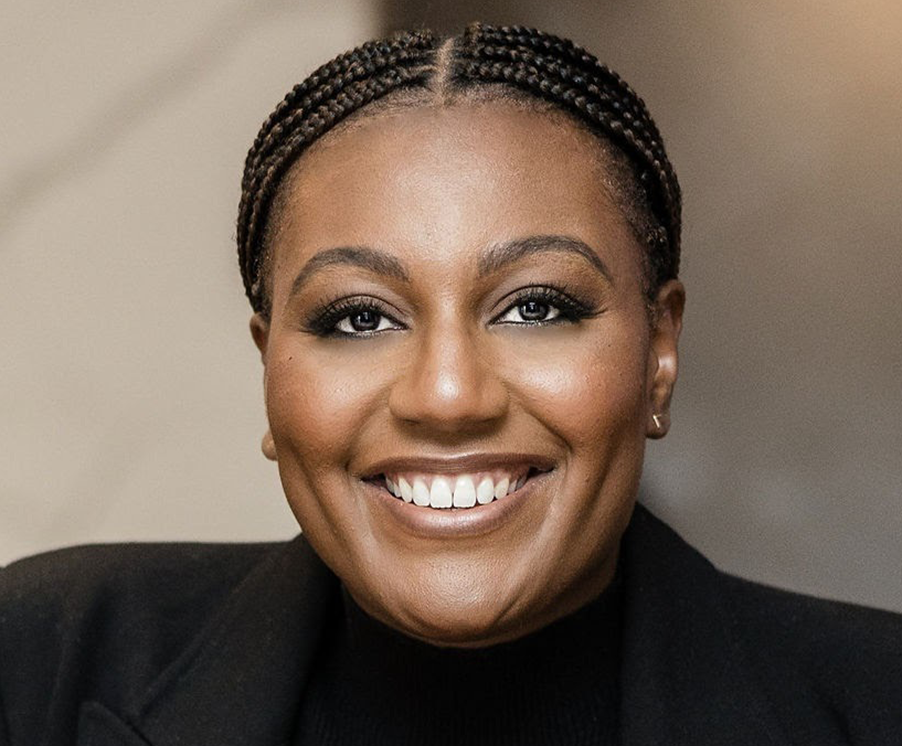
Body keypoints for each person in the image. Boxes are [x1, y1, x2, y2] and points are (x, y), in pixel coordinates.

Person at [1, 23, 900, 746]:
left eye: (535, 307)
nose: (447, 395)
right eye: (360, 318)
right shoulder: (45, 664)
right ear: (268, 364)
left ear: (658, 352)